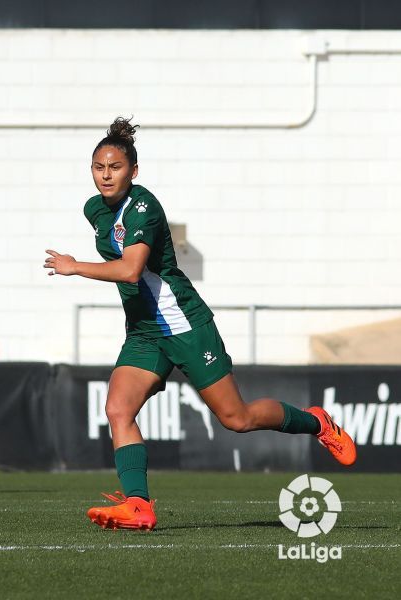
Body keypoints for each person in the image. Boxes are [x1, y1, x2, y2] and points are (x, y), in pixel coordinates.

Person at [43, 117, 356, 530]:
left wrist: (74, 267)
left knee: (237, 419)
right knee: (118, 408)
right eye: (99, 167)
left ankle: (317, 421)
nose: (106, 174)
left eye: (115, 167)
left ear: (133, 172)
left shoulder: (144, 206)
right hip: (144, 331)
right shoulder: (94, 209)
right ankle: (139, 505)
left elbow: (132, 271)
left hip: (185, 325)